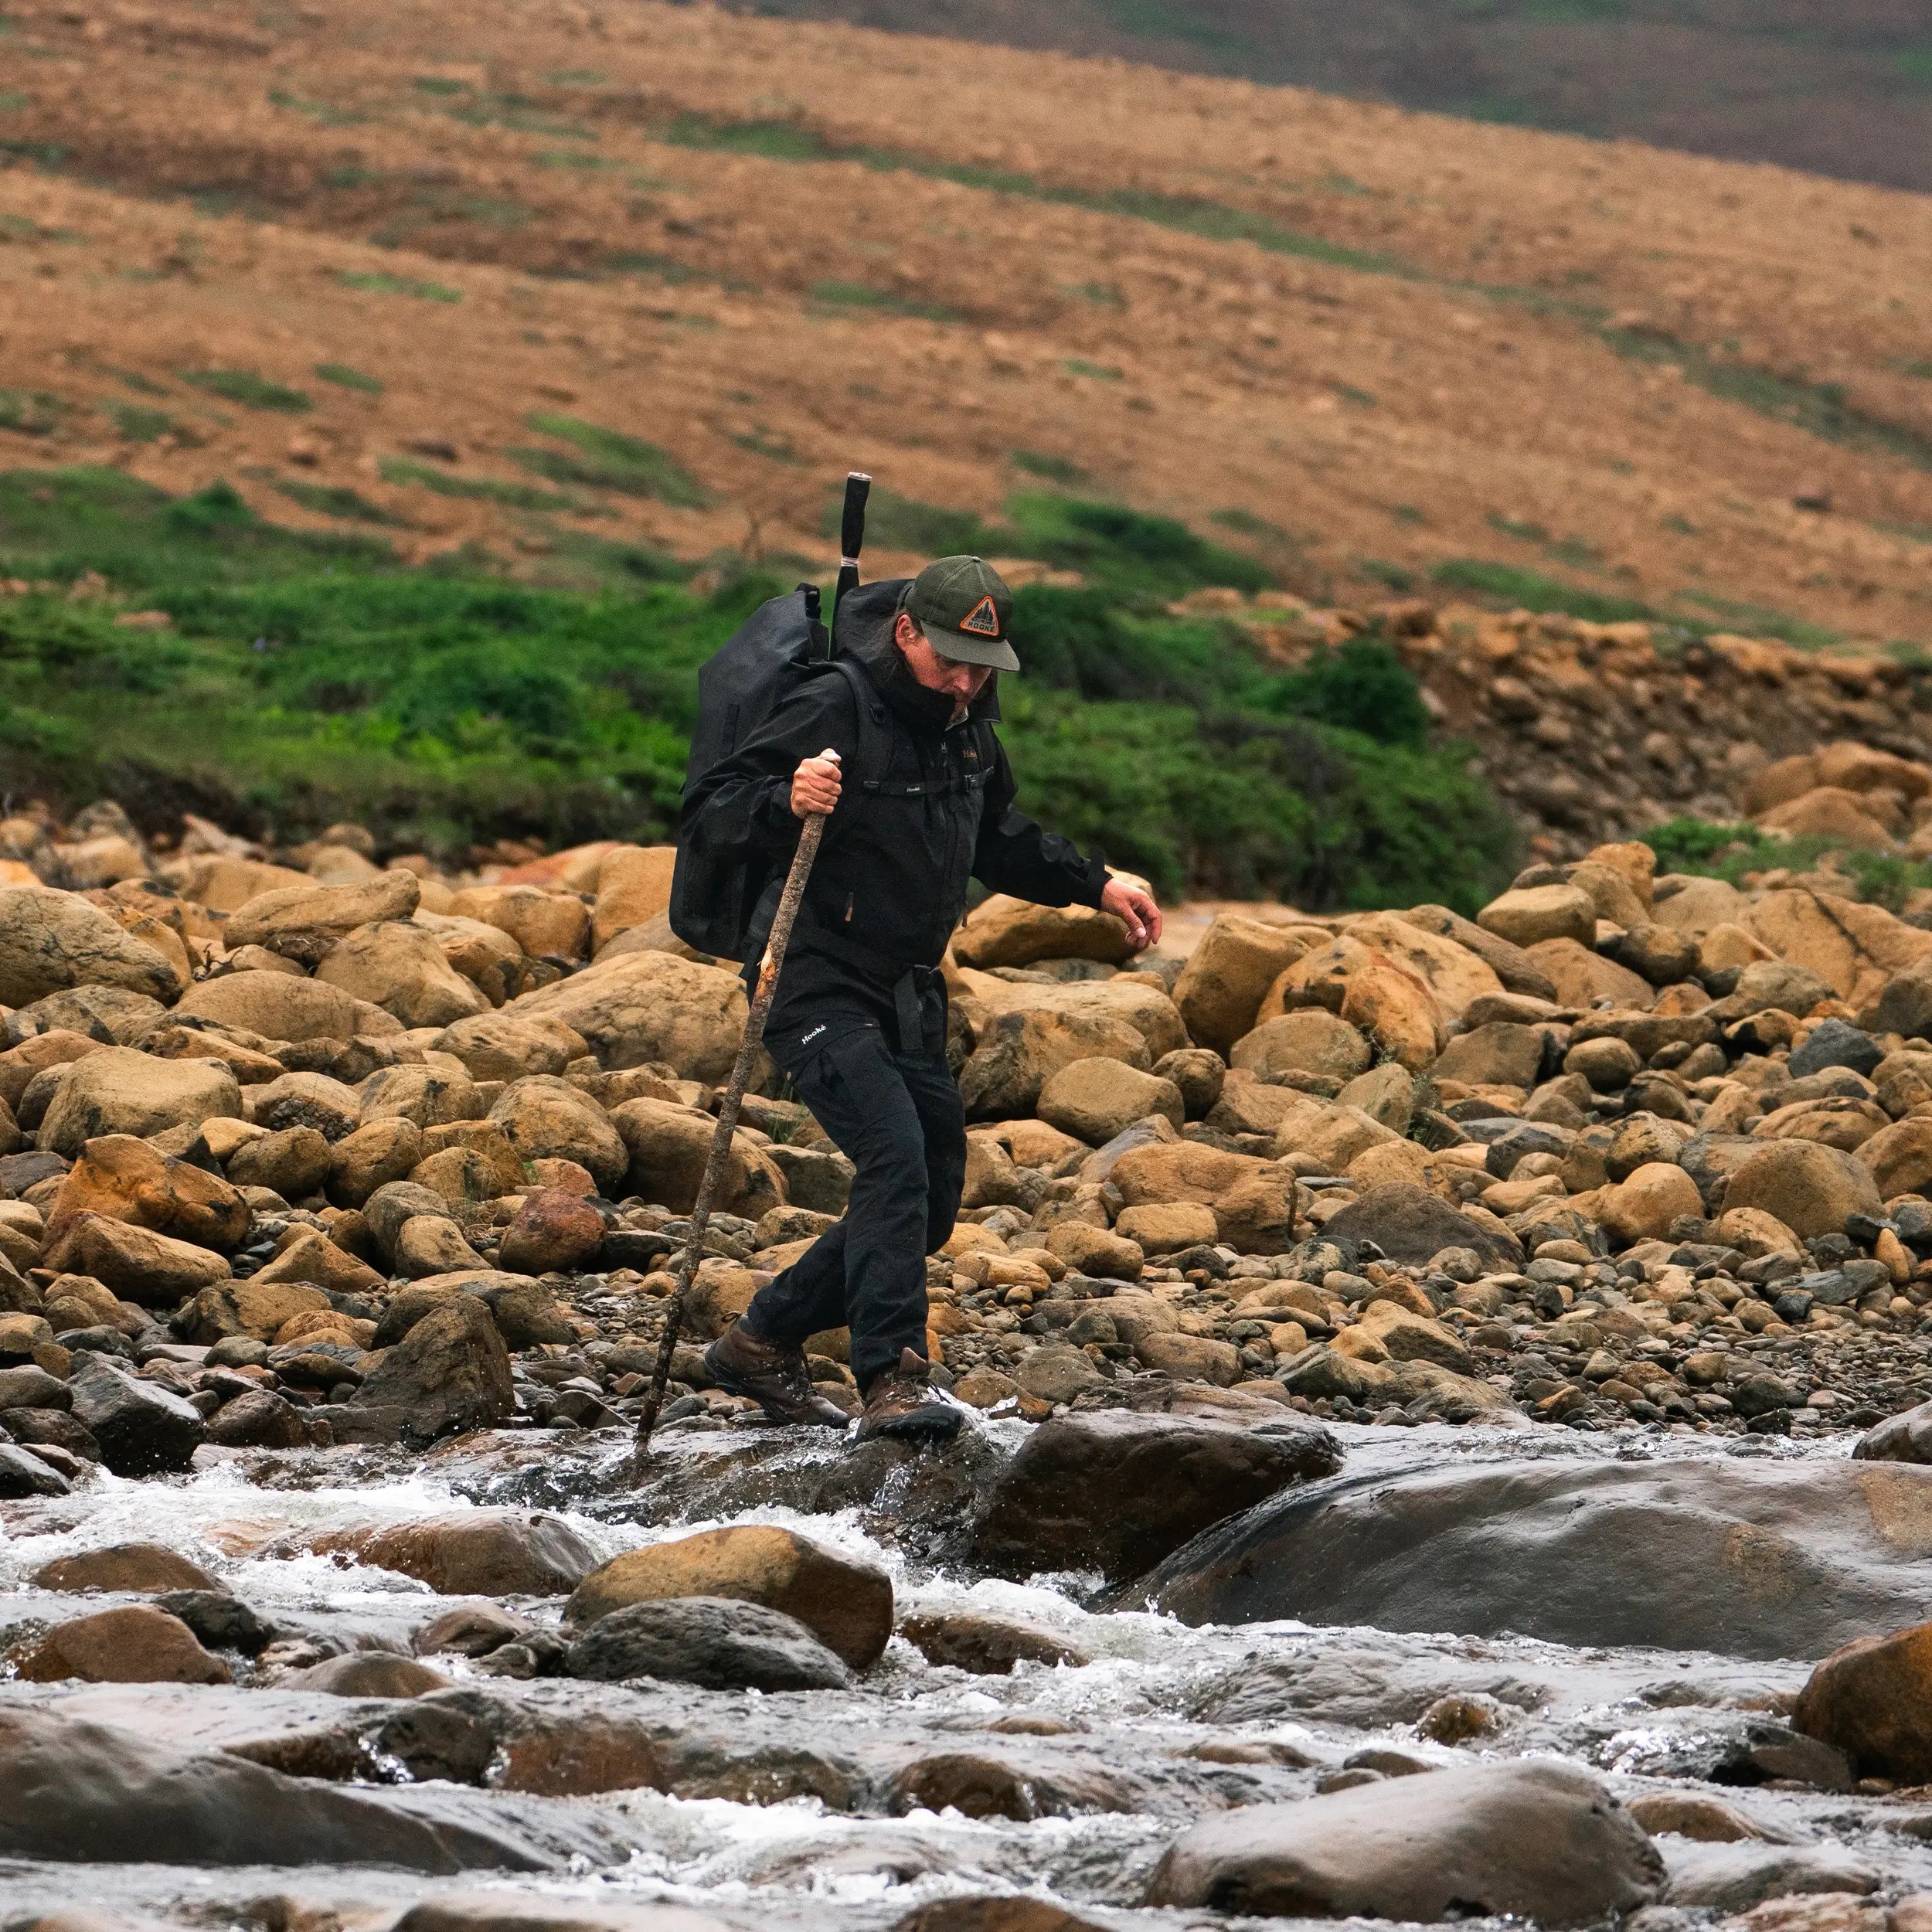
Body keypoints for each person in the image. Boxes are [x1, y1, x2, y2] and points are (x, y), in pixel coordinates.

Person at [685, 555, 1162, 1441]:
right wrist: (785, 799)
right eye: (950, 659)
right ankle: (893, 1376)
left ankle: (760, 1341)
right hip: (813, 976)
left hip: (908, 989)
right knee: (894, 1160)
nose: (967, 679)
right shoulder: (834, 703)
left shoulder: (970, 722)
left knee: (932, 1199)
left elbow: (997, 835)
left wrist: (1095, 884)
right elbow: (710, 812)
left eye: (982, 664)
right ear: (905, 632)